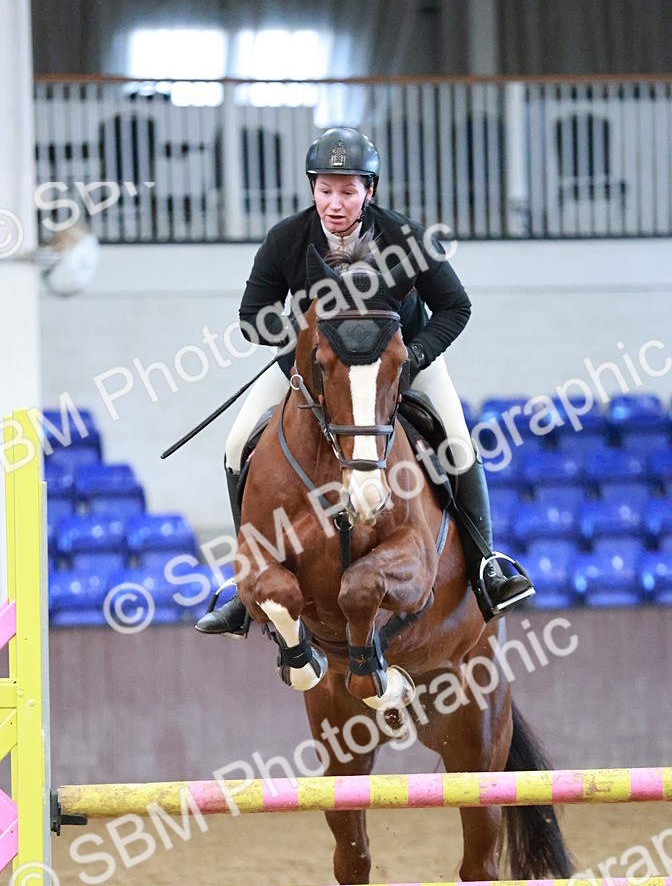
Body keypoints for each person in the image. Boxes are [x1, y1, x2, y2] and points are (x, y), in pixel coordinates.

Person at [196, 127, 533, 636]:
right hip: (319, 368)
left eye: (348, 191)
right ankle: (247, 583)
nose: (335, 203)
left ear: (369, 191)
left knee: (458, 444)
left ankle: (486, 566)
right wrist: (303, 357)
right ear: (312, 189)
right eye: (325, 190)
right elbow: (253, 315)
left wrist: (415, 356)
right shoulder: (287, 239)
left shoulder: (405, 238)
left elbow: (455, 306)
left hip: (400, 362)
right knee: (235, 443)